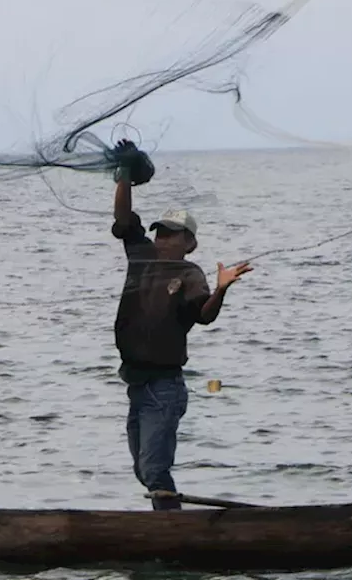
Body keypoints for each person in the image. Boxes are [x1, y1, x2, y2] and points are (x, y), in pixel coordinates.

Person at [110, 140, 251, 510]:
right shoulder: (140, 254)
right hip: (136, 383)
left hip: (164, 387)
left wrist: (221, 290)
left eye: (172, 234)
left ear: (189, 243)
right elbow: (124, 221)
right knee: (144, 471)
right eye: (160, 232)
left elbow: (203, 315)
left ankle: (172, 531)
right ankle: (170, 524)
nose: (163, 239)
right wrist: (124, 174)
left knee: (154, 470)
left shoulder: (190, 274)